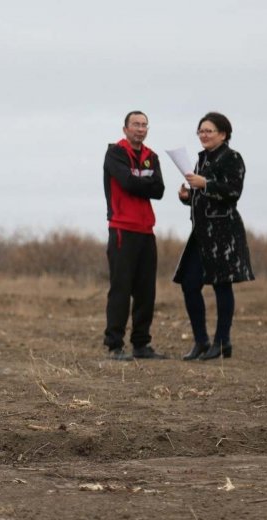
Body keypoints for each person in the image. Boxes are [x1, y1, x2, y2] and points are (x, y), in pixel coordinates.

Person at [174, 112, 254, 360]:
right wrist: (188, 197)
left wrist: (205, 184)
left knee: (221, 284)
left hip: (223, 233)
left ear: (223, 134)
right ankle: (201, 341)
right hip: (201, 233)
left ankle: (222, 341)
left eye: (209, 131)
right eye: (201, 131)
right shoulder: (202, 160)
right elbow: (204, 198)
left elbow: (233, 191)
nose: (204, 135)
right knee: (189, 283)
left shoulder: (232, 158)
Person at [103, 110, 166, 361]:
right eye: (135, 124)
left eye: (144, 125)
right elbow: (126, 182)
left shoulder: (152, 157)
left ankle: (141, 344)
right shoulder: (115, 153)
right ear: (125, 128)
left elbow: (159, 190)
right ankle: (115, 345)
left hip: (146, 230)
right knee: (121, 288)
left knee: (145, 291)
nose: (140, 129)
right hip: (121, 228)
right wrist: (144, 183)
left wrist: (140, 181)